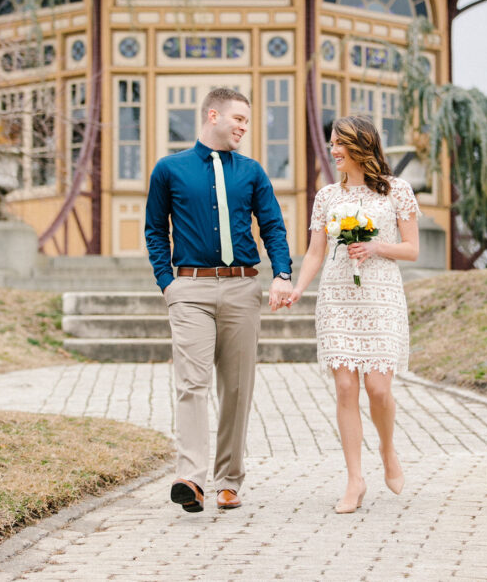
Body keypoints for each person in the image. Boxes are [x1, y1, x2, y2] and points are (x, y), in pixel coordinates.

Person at [145, 87, 292, 514]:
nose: (244, 128)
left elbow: (273, 226)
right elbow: (155, 229)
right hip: (189, 290)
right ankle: (191, 477)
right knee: (191, 384)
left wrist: (281, 274)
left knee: (237, 388)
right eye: (238, 119)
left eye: (247, 121)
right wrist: (167, 283)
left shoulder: (252, 172)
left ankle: (228, 480)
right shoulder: (168, 170)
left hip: (242, 288)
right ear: (213, 115)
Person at [286, 114, 420, 514]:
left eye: (340, 143)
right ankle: (355, 479)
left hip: (381, 297)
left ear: (362, 145)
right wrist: (297, 288)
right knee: (346, 387)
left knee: (378, 389)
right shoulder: (327, 197)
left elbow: (412, 249)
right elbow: (315, 252)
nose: (333, 150)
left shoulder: (397, 191)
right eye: (331, 143)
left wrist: (376, 246)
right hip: (337, 297)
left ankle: (387, 449)